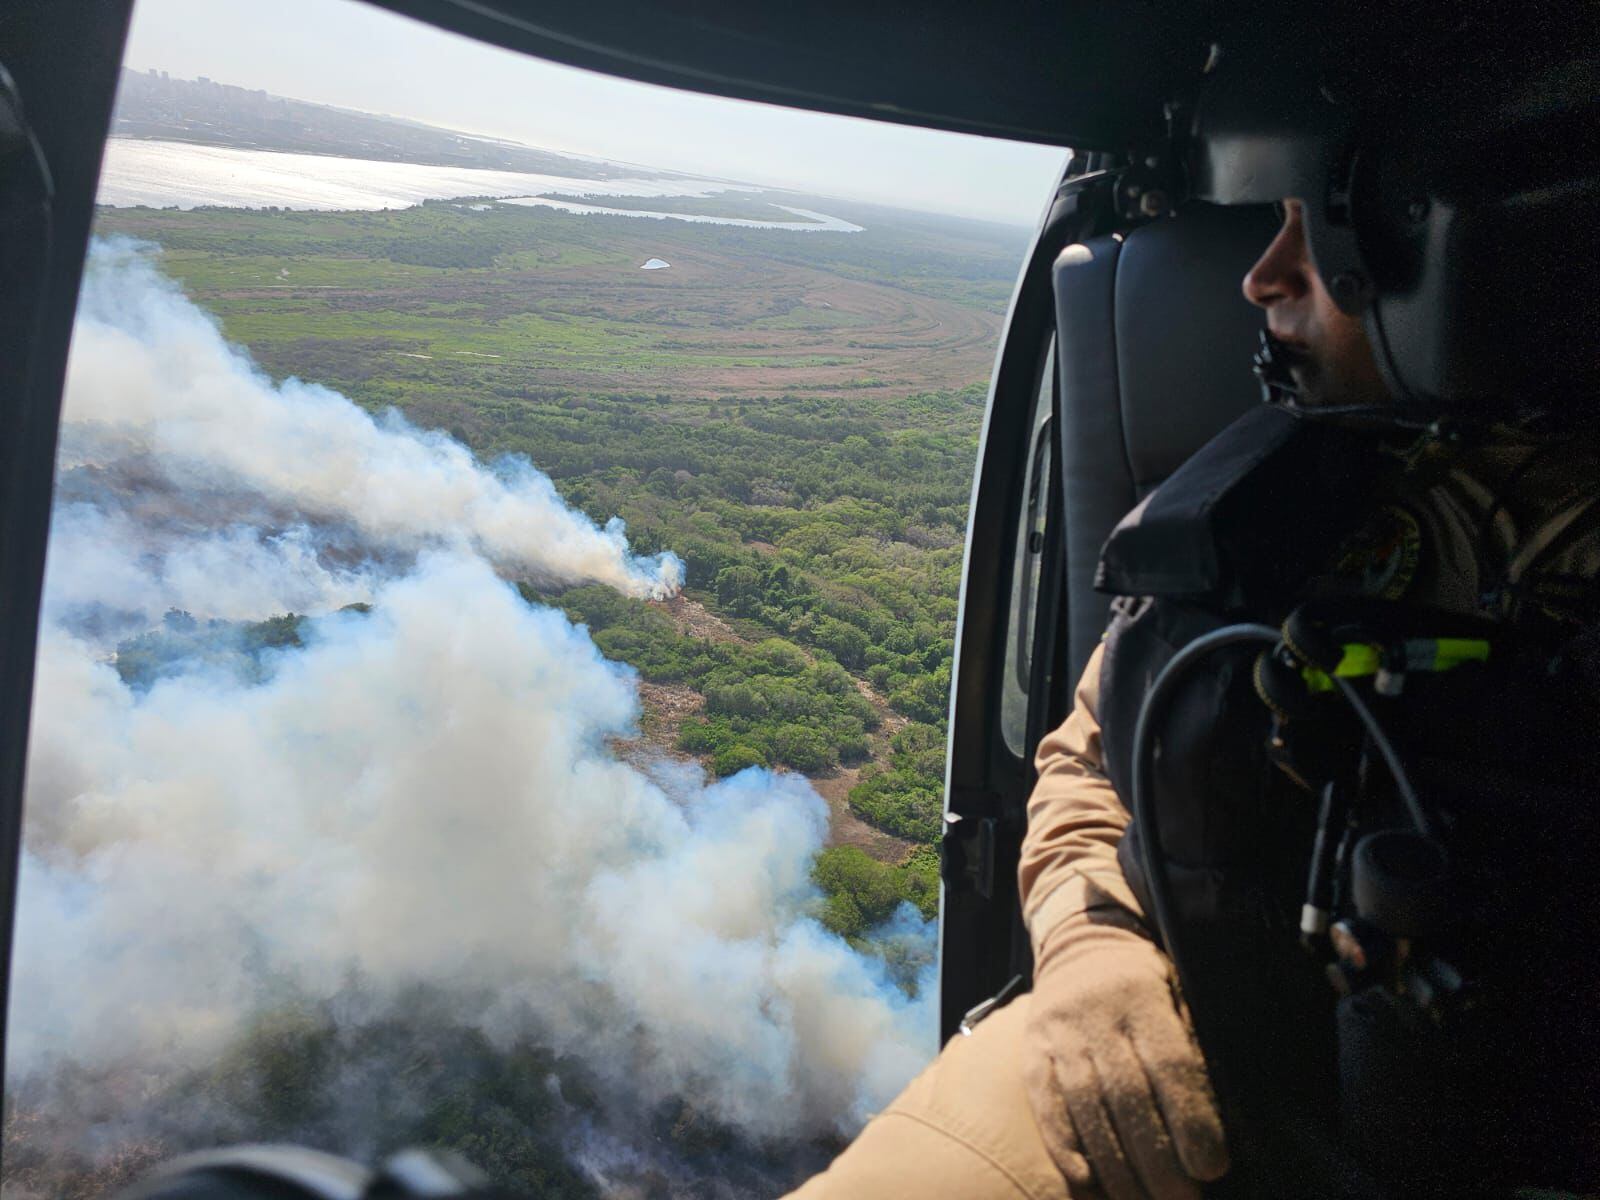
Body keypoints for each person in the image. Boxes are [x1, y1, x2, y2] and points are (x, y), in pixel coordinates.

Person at [787, 185, 1600, 1199]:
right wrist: (1092, 950)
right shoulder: (1285, 496)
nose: (1261, 277)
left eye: (1333, 231)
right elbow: (1090, 755)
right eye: (1278, 222)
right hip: (1191, 1037)